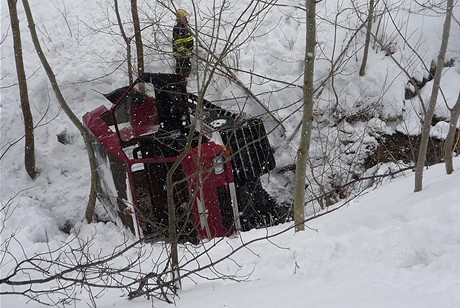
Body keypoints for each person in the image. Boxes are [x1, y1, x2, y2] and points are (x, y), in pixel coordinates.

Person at [172, 9, 194, 79]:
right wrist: (184, 52)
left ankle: (182, 82)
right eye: (184, 17)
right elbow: (177, 43)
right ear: (180, 18)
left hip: (186, 54)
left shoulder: (185, 26)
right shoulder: (178, 28)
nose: (186, 18)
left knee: (186, 68)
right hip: (181, 55)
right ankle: (180, 83)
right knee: (182, 69)